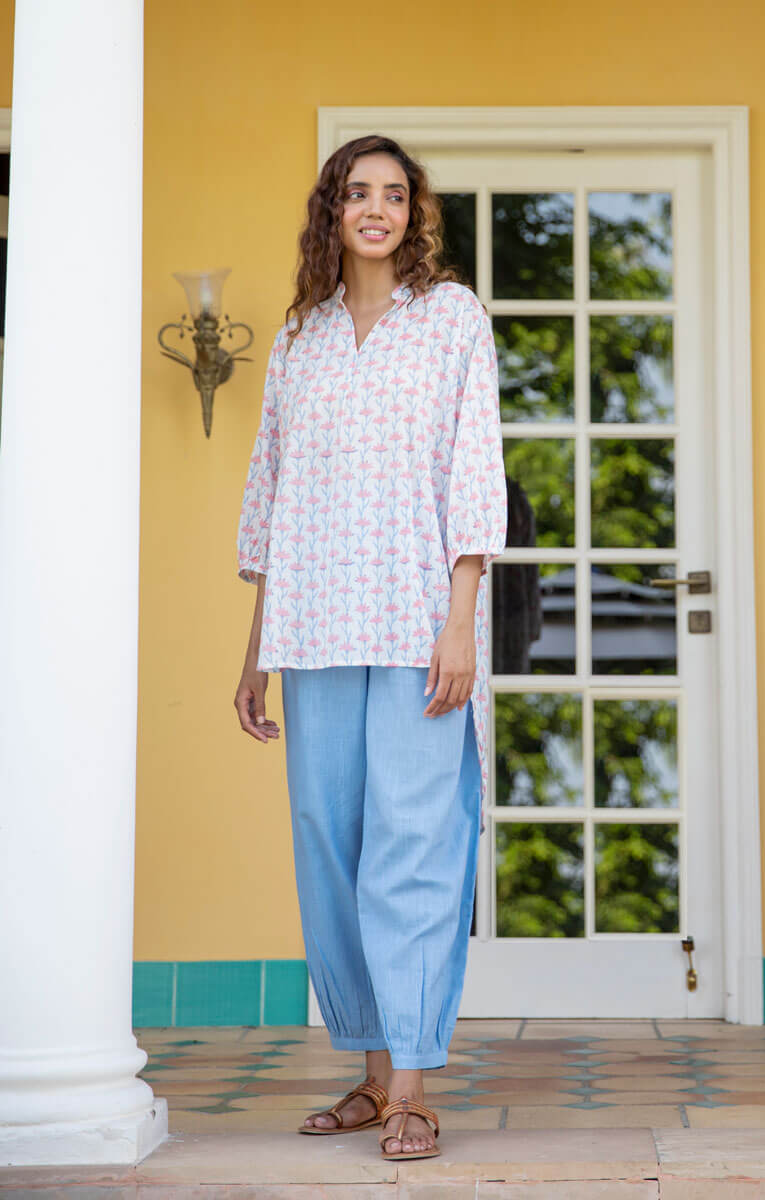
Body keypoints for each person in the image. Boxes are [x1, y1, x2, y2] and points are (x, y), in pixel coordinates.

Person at [233, 134, 507, 1161]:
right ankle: (374, 1069)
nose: (378, 209)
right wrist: (255, 650)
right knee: (328, 847)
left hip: (415, 624)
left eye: (395, 194)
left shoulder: (452, 319)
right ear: (333, 211)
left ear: (414, 212)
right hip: (311, 625)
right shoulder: (298, 337)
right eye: (359, 193)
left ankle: (416, 1088)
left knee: (415, 848)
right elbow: (272, 494)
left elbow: (474, 468)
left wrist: (460, 617)